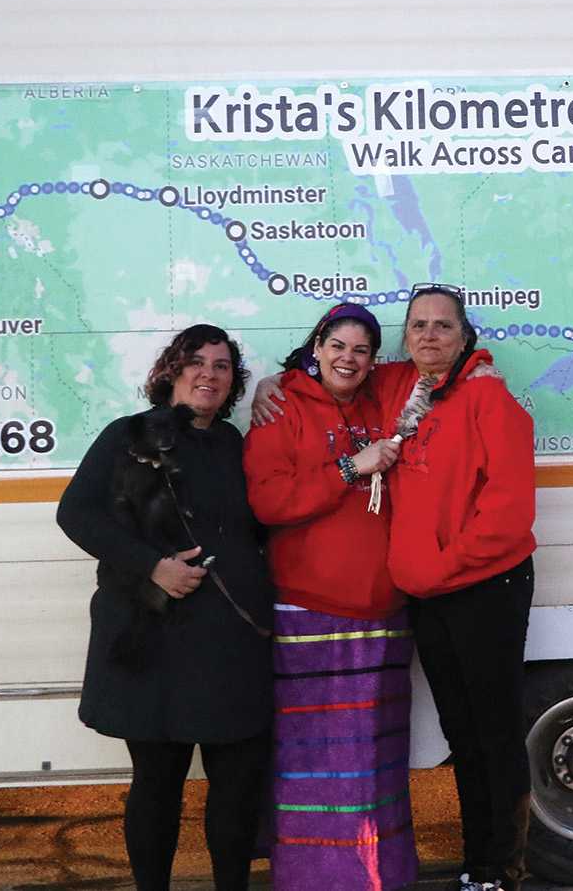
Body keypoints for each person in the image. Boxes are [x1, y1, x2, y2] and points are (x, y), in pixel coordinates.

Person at [56, 323, 274, 891]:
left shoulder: (235, 445)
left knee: (236, 786)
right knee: (158, 783)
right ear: (171, 370)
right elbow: (76, 514)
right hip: (153, 638)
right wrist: (154, 566)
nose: (209, 373)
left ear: (234, 382)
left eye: (222, 366)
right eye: (196, 361)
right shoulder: (128, 436)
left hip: (229, 644)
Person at [241, 302, 418, 890]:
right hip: (309, 612)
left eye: (361, 350)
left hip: (383, 615)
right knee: (315, 764)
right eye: (337, 345)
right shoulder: (281, 405)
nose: (349, 358)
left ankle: (380, 876)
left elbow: (441, 363)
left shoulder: (380, 395)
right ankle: (312, 880)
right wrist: (350, 468)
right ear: (316, 347)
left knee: (375, 766)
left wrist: (486, 363)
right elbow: (269, 503)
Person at [380, 287, 538, 891]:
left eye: (443, 326)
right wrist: (274, 384)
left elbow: (508, 511)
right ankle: (478, 862)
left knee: (493, 733)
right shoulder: (409, 392)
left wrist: (443, 568)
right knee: (462, 736)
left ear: (464, 335)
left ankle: (503, 867)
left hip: (483, 588)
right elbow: (336, 365)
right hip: (431, 593)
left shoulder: (487, 398)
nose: (429, 336)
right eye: (418, 325)